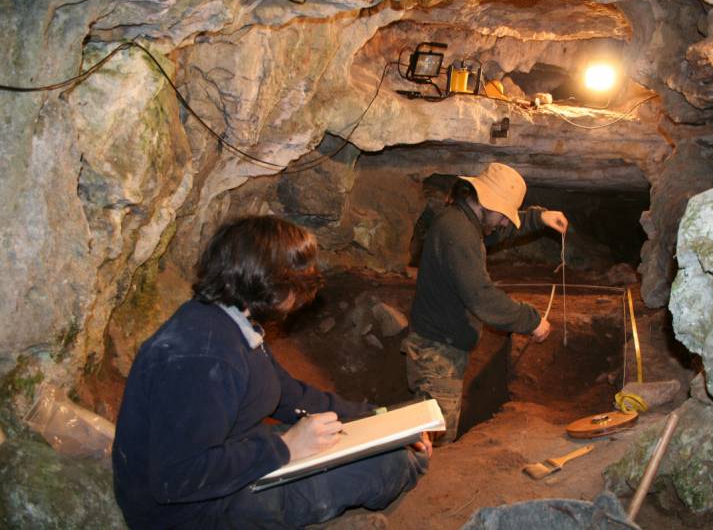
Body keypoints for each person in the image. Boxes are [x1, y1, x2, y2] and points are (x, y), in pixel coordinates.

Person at [112, 215, 431, 529]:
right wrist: (286, 448)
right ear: (268, 282)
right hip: (194, 513)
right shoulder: (204, 358)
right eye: (300, 277)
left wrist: (382, 421)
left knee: (374, 448)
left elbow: (290, 394)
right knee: (385, 465)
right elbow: (177, 478)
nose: (306, 289)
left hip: (233, 455)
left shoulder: (231, 323)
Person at [403, 162, 568, 444]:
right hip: (436, 353)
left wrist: (538, 218)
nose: (506, 222)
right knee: (436, 442)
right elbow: (481, 296)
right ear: (486, 203)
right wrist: (531, 320)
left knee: (432, 434)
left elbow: (497, 231)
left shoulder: (463, 220)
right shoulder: (458, 233)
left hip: (441, 343)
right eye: (504, 215)